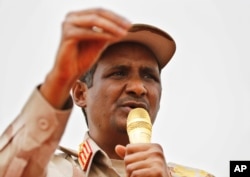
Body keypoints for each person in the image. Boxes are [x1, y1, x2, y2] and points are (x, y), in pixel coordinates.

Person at [0, 8, 214, 177]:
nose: (139, 87)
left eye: (149, 76)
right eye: (119, 73)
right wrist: (57, 82)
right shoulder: (50, 171)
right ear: (80, 94)